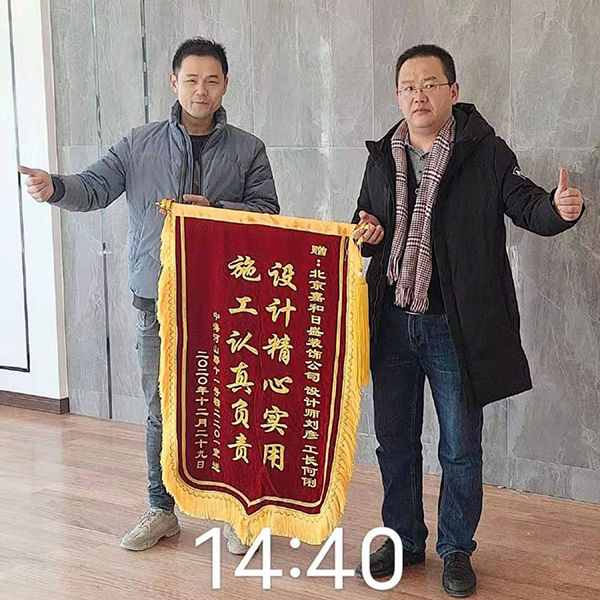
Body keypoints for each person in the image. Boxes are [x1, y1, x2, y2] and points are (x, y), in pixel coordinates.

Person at [19, 37, 279, 554]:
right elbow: (95, 186)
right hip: (155, 298)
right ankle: (161, 510)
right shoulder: (138, 143)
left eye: (211, 80)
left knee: (231, 405)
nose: (201, 90)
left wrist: (215, 212)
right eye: (191, 80)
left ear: (225, 85)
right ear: (173, 83)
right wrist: (56, 187)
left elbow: (268, 214)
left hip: (227, 300)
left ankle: (234, 513)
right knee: (160, 408)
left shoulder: (248, 148)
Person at [351, 44, 583, 597]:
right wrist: (368, 234)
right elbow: (364, 223)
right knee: (395, 442)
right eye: (409, 87)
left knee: (459, 446)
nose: (419, 95)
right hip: (391, 321)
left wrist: (559, 210)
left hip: (453, 328)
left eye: (430, 84)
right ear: (398, 96)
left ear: (452, 92)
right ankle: (403, 539)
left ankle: (456, 548)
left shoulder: (485, 152)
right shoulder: (383, 155)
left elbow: (527, 204)